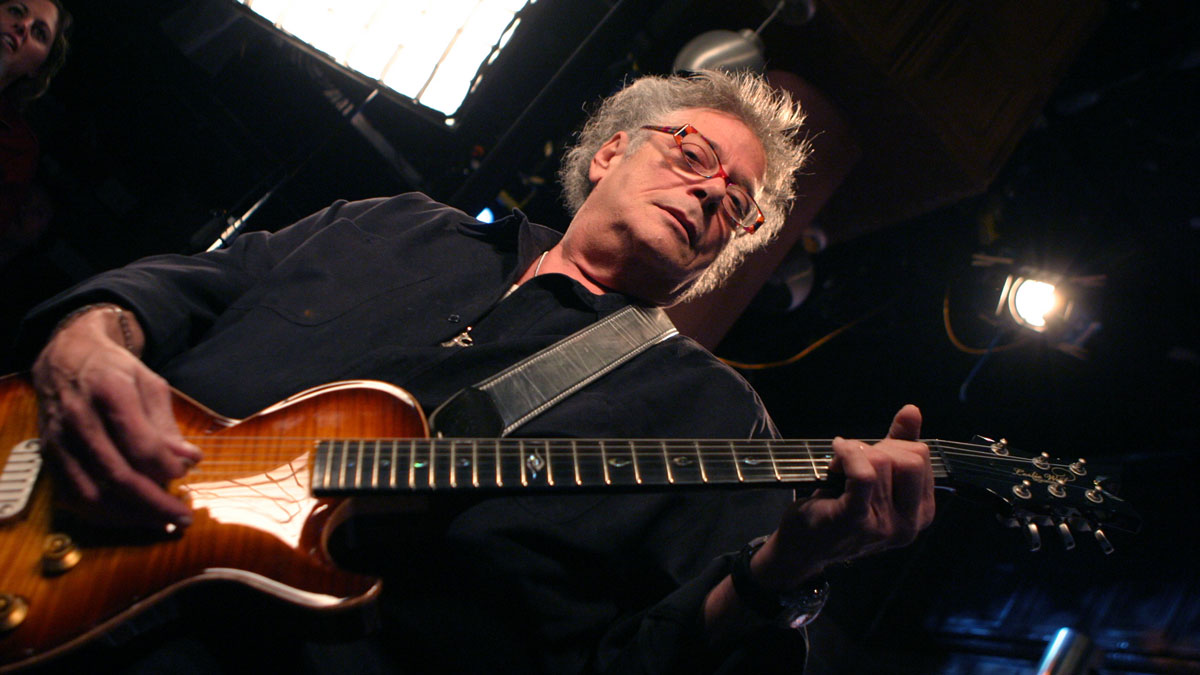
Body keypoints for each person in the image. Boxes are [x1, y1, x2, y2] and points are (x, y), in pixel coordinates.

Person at [17, 69, 935, 673]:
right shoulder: (398, 223)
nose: (709, 194)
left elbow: (660, 656)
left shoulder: (717, 420)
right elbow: (198, 283)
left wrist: (792, 572)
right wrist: (91, 336)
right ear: (612, 151)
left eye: (735, 206)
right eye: (694, 157)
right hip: (42, 513)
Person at [1, 0, 70, 263]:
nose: (23, 26)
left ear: (37, 67)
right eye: (17, 11)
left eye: (40, 33)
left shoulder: (17, 147)